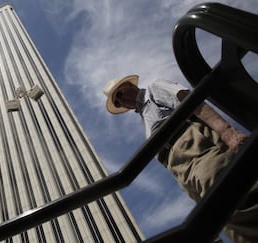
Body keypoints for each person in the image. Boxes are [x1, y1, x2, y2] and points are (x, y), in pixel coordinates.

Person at [103, 75, 258, 243]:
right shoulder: (145, 119)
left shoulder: (154, 88)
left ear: (128, 85)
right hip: (180, 170)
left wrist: (227, 131)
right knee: (221, 218)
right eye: (117, 102)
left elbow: (192, 101)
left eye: (120, 93)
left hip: (193, 147)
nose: (122, 100)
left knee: (230, 195)